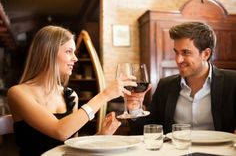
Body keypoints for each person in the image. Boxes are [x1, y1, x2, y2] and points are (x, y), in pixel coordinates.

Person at [7, 25, 137, 156]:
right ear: (48, 53)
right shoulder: (18, 93)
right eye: (69, 51)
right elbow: (60, 131)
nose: (75, 58)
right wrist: (104, 95)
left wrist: (102, 135)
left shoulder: (70, 96)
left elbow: (72, 149)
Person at [127, 21, 236, 135]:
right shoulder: (166, 85)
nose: (178, 60)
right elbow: (149, 131)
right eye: (176, 52)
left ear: (206, 54)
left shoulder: (232, 82)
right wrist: (135, 109)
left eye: (185, 53)